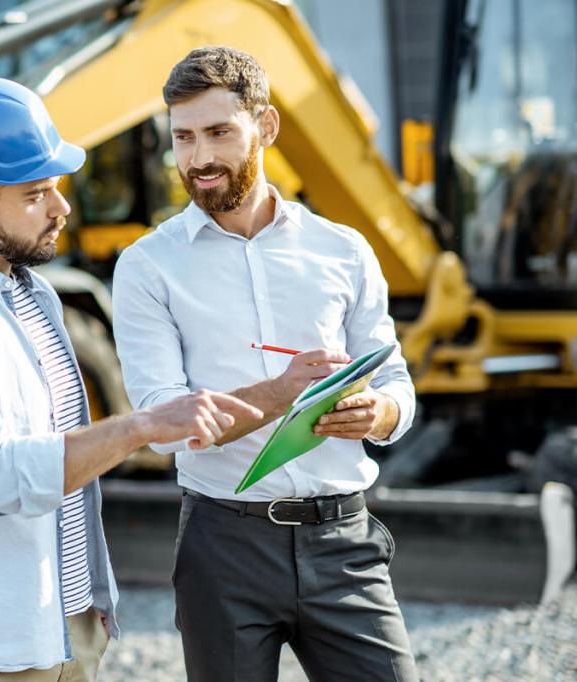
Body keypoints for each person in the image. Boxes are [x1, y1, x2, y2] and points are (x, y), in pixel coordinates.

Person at [0, 76, 262, 682]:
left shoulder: (35, 297)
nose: (62, 208)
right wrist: (141, 426)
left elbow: (64, 461)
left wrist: (90, 603)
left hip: (62, 622)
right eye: (37, 194)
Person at [112, 47, 420, 681]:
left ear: (266, 126)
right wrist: (281, 391)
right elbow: (161, 421)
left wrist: (380, 410)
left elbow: (393, 380)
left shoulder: (345, 251)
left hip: (344, 544)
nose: (199, 159)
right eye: (184, 137)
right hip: (223, 546)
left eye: (220, 132)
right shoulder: (147, 267)